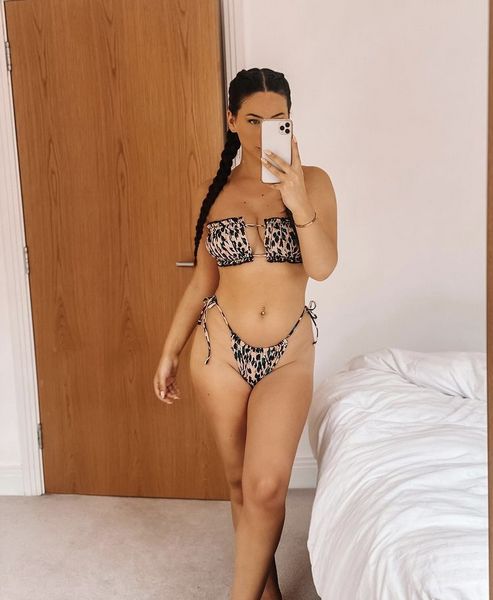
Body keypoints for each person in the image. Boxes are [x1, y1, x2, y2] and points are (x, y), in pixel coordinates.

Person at [153, 67, 338, 600]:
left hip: (288, 354)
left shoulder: (314, 182)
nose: (263, 132)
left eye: (277, 119)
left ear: (291, 121)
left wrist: (297, 199)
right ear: (232, 121)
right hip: (220, 353)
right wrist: (169, 351)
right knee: (239, 485)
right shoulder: (216, 192)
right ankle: (266, 591)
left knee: (266, 486)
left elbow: (323, 267)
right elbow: (202, 283)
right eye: (252, 120)